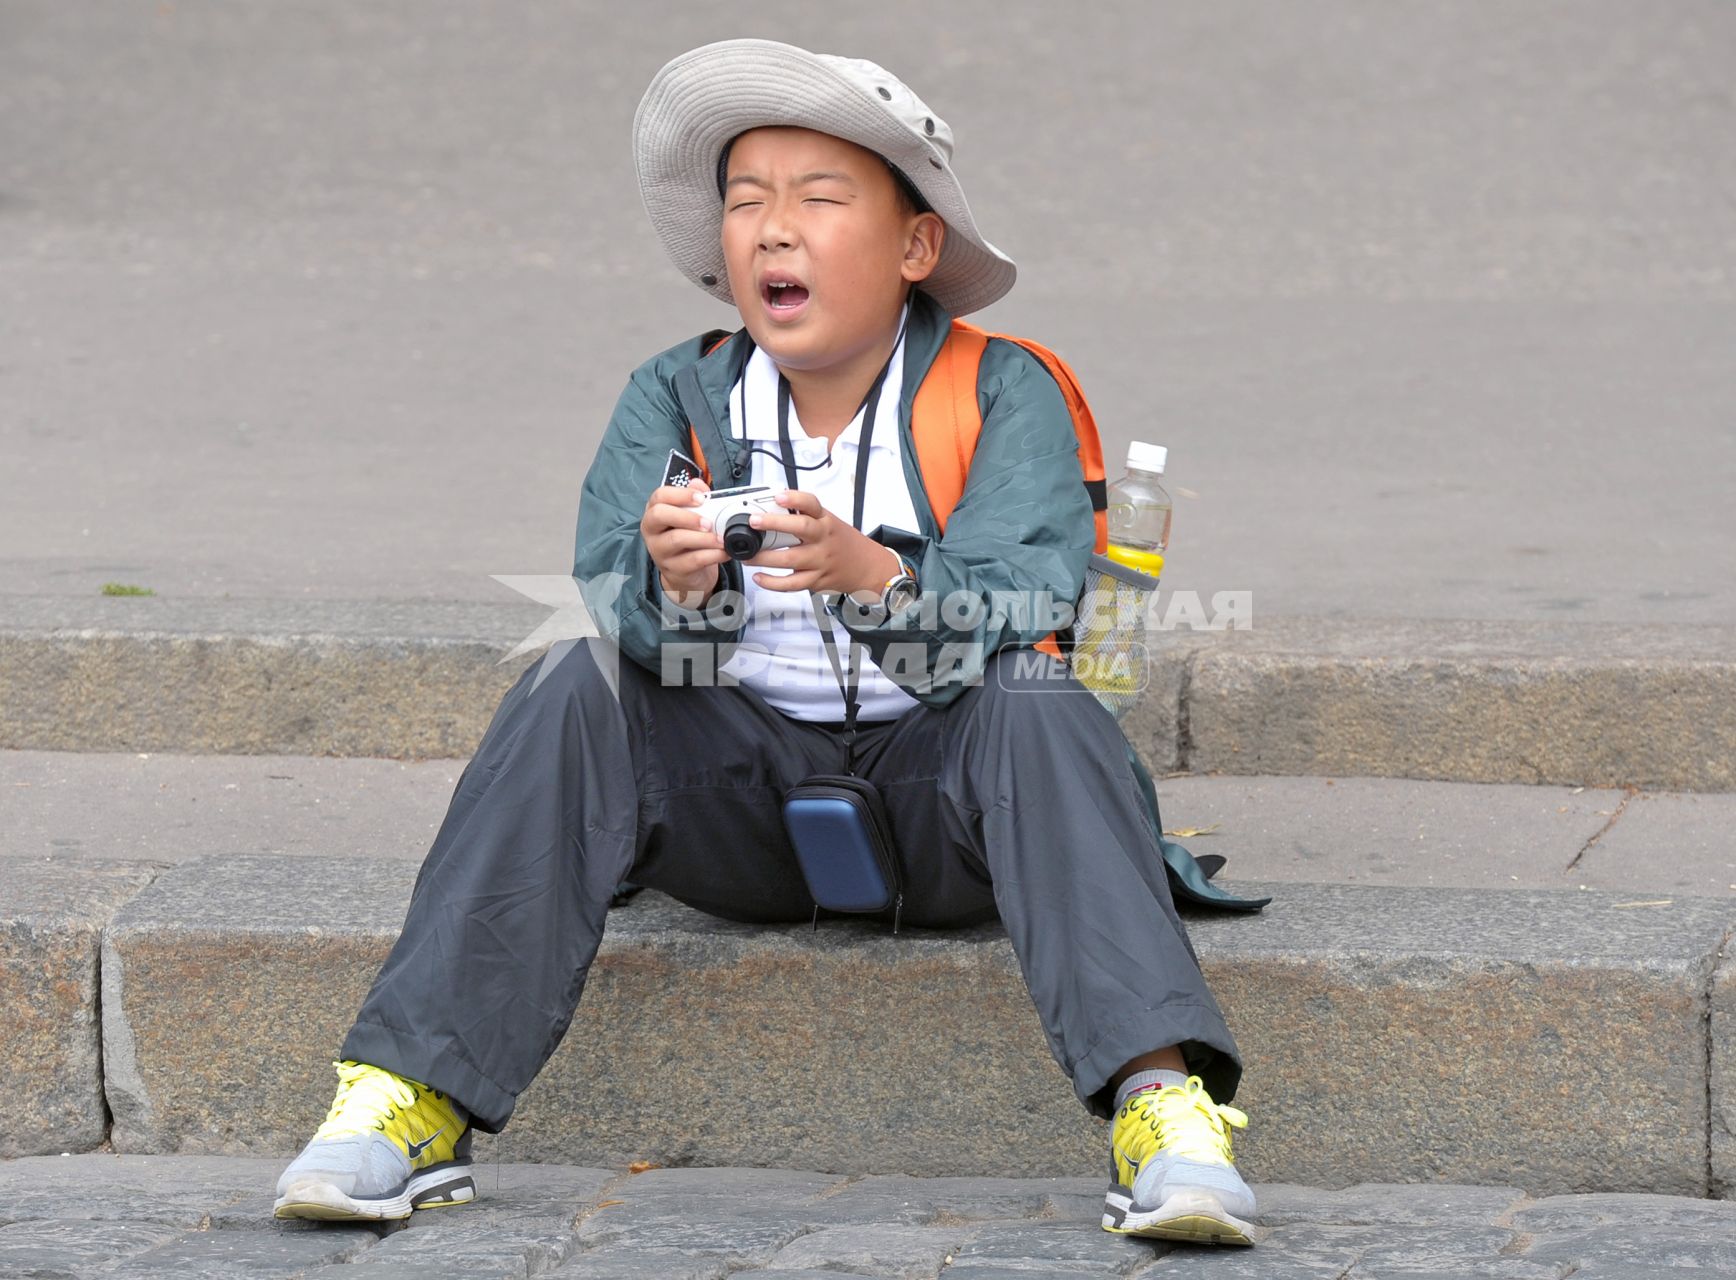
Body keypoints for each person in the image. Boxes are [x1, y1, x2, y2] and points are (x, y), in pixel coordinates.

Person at [272, 37, 1257, 1247]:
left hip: (953, 806)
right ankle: (406, 1099)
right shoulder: (674, 399)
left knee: (1039, 696)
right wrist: (674, 588)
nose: (771, 231)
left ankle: (1163, 1106)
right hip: (729, 801)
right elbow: (615, 590)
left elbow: (1022, 590)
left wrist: (873, 574)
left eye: (818, 198)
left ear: (913, 247)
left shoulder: (1003, 392)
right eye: (745, 204)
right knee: (575, 680)